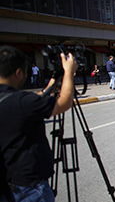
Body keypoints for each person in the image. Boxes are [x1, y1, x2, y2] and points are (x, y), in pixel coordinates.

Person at [0, 45, 78, 202]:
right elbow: (63, 103)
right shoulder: (22, 102)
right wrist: (69, 72)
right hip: (29, 186)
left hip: (8, 182)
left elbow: (35, 100)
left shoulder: (13, 100)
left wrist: (51, 85)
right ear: (18, 72)